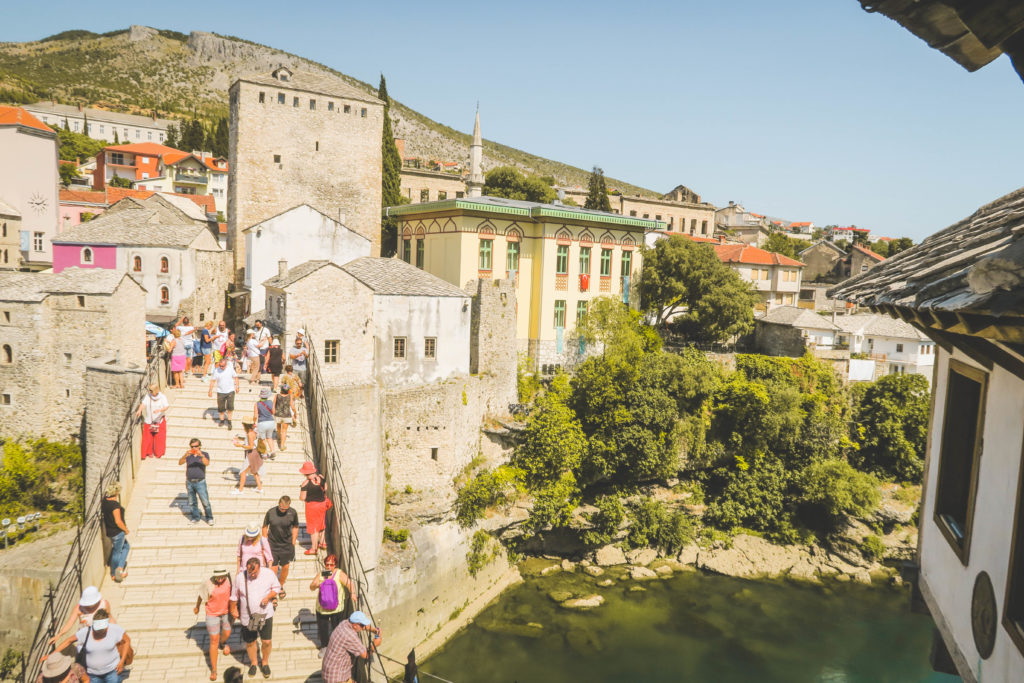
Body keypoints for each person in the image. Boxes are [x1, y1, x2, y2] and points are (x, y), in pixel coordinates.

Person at [229, 558, 280, 680]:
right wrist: (233, 609)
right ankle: (253, 663)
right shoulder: (240, 577)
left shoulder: (268, 574)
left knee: (266, 641)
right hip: (248, 616)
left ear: (259, 568)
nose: (251, 575)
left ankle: (265, 662)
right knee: (251, 642)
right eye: (250, 572)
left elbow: (277, 588)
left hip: (265, 614)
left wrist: (268, 597)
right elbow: (234, 595)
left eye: (254, 573)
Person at [310, 554, 355, 657]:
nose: (329, 567)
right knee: (323, 629)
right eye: (327, 564)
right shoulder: (323, 573)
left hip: (337, 608)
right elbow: (311, 587)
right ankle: (324, 647)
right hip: (322, 608)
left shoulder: (339, 574)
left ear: (335, 565)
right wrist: (315, 585)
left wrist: (353, 593)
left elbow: (350, 584)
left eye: (331, 564)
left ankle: (337, 646)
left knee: (337, 628)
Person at [71, 608, 130, 683]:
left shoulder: (115, 629)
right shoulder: (87, 631)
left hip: (112, 672)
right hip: (93, 675)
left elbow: (127, 641)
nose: (99, 632)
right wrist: (54, 653)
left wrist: (122, 661)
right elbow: (69, 641)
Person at [321, 611, 381, 683]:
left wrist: (372, 630)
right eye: (362, 625)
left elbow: (361, 626)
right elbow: (365, 654)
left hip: (329, 670)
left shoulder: (344, 623)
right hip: (336, 677)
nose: (364, 627)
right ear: (355, 625)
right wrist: (375, 644)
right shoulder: (350, 636)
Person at [195, 569, 233, 681]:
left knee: (227, 632)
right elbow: (201, 596)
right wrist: (197, 607)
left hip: (226, 613)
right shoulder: (208, 584)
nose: (220, 579)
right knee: (213, 640)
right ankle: (214, 670)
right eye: (218, 577)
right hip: (212, 614)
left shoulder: (229, 580)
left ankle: (223, 643)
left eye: (222, 577)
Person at [48, 586, 114, 649]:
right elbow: (70, 623)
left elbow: (109, 618)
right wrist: (59, 635)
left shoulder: (104, 604)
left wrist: (115, 631)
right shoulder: (79, 608)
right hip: (86, 636)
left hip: (101, 633)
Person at [262, 497, 298, 598]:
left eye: (285, 509)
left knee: (285, 567)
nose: (283, 511)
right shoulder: (271, 512)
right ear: (279, 504)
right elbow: (264, 527)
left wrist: (293, 543)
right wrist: (265, 543)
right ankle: (274, 589)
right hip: (272, 545)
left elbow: (295, 527)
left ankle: (280, 585)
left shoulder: (293, 513)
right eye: (281, 508)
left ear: (289, 506)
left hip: (286, 545)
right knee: (273, 569)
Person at [179, 438, 214, 526]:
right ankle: (195, 517)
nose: (194, 448)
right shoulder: (189, 455)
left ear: (200, 446)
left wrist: (201, 455)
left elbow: (207, 463)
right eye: (192, 446)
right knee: (192, 502)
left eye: (196, 446)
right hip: (189, 481)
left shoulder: (205, 454)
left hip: (200, 482)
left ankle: (209, 518)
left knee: (205, 501)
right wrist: (185, 455)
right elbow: (180, 462)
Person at [299, 462, 329, 554]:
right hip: (322, 504)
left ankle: (314, 548)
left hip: (312, 507)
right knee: (321, 524)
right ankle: (323, 543)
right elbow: (326, 488)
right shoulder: (321, 477)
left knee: (313, 528)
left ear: (305, 473)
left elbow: (302, 498)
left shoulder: (305, 483)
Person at [101, 483, 129, 583]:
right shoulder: (115, 506)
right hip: (117, 532)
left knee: (126, 547)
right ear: (116, 493)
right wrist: (125, 530)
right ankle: (115, 573)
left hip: (110, 531)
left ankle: (120, 568)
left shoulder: (105, 501)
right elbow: (118, 521)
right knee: (117, 552)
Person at [135, 383, 168, 459]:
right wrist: (139, 410)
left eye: (151, 390)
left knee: (159, 438)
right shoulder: (148, 396)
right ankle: (148, 452)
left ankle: (158, 452)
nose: (149, 391)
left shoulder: (162, 397)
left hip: (159, 420)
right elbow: (143, 404)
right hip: (149, 420)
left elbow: (166, 406)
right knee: (147, 438)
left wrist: (159, 410)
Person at [233, 422, 263, 495]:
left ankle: (240, 490)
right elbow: (251, 441)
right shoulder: (253, 432)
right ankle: (260, 488)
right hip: (255, 454)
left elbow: (251, 446)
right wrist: (240, 439)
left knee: (243, 472)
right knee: (254, 471)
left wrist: (239, 445)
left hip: (251, 454)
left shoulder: (249, 434)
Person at [209, 356, 239, 429]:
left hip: (230, 391)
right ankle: (222, 420)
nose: (221, 367)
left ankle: (229, 421)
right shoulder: (216, 370)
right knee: (221, 408)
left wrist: (237, 386)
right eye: (220, 366)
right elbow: (213, 381)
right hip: (220, 391)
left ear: (226, 365)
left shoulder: (230, 369)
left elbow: (236, 377)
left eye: (223, 366)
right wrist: (210, 390)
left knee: (230, 407)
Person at [253, 388, 277, 459]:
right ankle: (272, 451)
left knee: (263, 439)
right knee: (269, 437)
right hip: (271, 422)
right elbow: (274, 412)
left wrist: (254, 422)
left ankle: (265, 454)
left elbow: (255, 415)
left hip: (262, 423)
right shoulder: (270, 402)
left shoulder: (257, 404)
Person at [275, 384, 293, 451]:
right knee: (284, 430)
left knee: (278, 425)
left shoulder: (277, 396)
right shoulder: (289, 396)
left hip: (278, 414)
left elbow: (274, 405)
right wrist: (295, 413)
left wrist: (273, 411)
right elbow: (292, 405)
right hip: (286, 415)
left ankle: (278, 435)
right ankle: (282, 445)